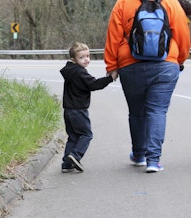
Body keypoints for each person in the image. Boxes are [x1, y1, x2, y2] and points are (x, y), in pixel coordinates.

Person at [104, 0, 190, 173]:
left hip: (130, 64)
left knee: (136, 112)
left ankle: (138, 155)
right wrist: (179, 60)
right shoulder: (171, 3)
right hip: (165, 64)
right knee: (157, 111)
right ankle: (153, 160)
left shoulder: (123, 4)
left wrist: (111, 66)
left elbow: (113, 36)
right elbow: (182, 34)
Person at [60, 41, 118, 173]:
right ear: (73, 60)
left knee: (73, 137)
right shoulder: (79, 72)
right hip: (78, 110)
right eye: (82, 57)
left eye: (87, 56)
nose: (86, 59)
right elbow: (94, 84)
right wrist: (110, 78)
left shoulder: (70, 71)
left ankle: (66, 164)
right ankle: (75, 155)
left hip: (68, 110)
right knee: (86, 134)